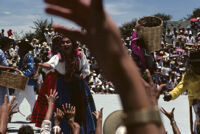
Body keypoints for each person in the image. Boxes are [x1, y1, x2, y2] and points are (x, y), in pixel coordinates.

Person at [44, 0, 163, 134]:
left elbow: (85, 70)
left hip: (78, 84)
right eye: (63, 42)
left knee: (80, 111)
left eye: (68, 42)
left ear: (73, 43)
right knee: (63, 110)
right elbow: (51, 64)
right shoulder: (58, 56)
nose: (65, 44)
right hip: (63, 85)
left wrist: (83, 76)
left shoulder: (80, 55)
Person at [164, 50, 200, 134]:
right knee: (198, 121)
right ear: (192, 66)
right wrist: (171, 95)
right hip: (196, 101)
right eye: (196, 66)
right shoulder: (188, 76)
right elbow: (180, 88)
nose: (198, 68)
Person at [13, 39, 36, 121]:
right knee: (17, 99)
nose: (18, 50)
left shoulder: (29, 57)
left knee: (29, 100)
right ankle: (9, 114)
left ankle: (35, 116)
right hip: (22, 82)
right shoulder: (22, 58)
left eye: (20, 48)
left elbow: (31, 69)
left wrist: (21, 73)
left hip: (27, 82)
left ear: (24, 49)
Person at [0, 37, 16, 106]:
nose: (10, 46)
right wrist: (9, 67)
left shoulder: (3, 52)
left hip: (3, 80)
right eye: (9, 44)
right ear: (4, 44)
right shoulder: (0, 52)